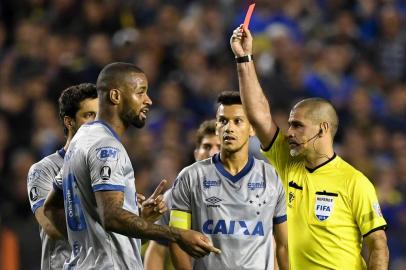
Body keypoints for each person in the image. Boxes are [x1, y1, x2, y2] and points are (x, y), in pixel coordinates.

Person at [230, 26, 389, 269]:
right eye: (290, 125)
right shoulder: (287, 161)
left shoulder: (354, 182)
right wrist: (244, 58)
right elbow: (259, 115)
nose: (289, 132)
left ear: (322, 129)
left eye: (297, 126)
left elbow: (378, 245)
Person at [44, 62, 220, 269]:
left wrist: (90, 243)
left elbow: (52, 207)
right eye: (141, 93)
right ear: (116, 96)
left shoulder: (81, 139)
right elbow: (111, 216)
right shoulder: (106, 147)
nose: (148, 100)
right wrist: (178, 235)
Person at [168, 91, 288, 270]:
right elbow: (177, 240)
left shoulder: (270, 177)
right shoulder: (190, 177)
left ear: (252, 129)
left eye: (237, 121)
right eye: (223, 121)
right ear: (217, 127)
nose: (229, 128)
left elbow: (283, 245)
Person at [27, 83, 98, 269]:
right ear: (69, 121)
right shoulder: (43, 170)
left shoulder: (107, 167)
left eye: (100, 116)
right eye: (89, 115)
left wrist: (139, 218)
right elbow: (50, 226)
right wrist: (109, 218)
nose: (97, 123)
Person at [144, 119, 221, 270]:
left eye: (219, 147)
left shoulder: (245, 192)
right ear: (196, 153)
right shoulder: (173, 196)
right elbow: (157, 250)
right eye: (207, 146)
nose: (212, 152)